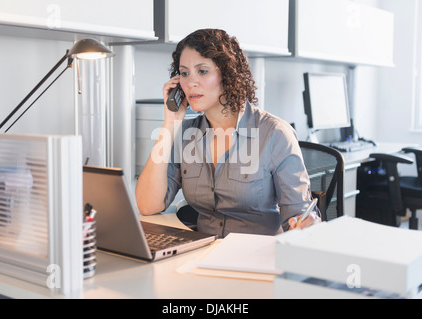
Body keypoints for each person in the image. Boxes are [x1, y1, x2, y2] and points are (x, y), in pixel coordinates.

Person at [135, 29, 320, 238]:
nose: (190, 83)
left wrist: (305, 223)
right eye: (184, 73)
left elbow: (300, 216)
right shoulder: (186, 134)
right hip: (204, 255)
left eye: (202, 71)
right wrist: (170, 123)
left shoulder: (274, 133)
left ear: (227, 74)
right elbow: (147, 204)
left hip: (259, 257)